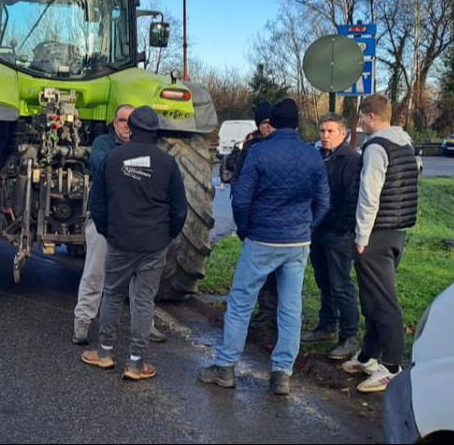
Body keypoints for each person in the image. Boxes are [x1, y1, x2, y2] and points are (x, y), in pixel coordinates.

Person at [198, 98, 330, 396]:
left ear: (273, 121)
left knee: (241, 301)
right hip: (298, 242)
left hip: (263, 238)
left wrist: (245, 230)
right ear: (296, 123)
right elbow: (324, 201)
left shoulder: (259, 152)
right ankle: (282, 374)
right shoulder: (312, 156)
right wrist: (308, 227)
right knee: (291, 306)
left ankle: (225, 367)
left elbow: (242, 200)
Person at [80, 106, 187, 381]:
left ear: (132, 129)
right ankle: (136, 363)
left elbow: (97, 204)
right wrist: (166, 235)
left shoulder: (112, 159)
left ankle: (104, 353)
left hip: (120, 240)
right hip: (154, 243)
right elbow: (179, 210)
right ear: (156, 132)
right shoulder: (168, 164)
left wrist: (107, 232)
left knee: (113, 294)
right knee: (142, 300)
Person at [72, 104, 166, 345]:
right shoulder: (103, 144)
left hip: (140, 224)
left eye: (130, 121)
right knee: (95, 272)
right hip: (108, 222)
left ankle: (146, 325)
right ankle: (82, 322)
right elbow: (105, 168)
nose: (126, 125)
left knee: (142, 282)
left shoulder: (151, 151)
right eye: (122, 120)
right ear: (114, 123)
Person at [344, 94, 419, 393]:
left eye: (362, 118)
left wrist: (362, 236)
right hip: (397, 230)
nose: (360, 123)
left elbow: (369, 195)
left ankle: (390, 366)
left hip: (375, 233)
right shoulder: (405, 141)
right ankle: (368, 356)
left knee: (384, 300)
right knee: (373, 295)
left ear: (371, 116)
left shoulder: (376, 147)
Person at [300, 114, 362, 360]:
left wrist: (341, 227)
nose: (325, 135)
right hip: (317, 229)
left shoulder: (350, 160)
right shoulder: (318, 157)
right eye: (323, 131)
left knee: (341, 284)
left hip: (338, 232)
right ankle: (326, 325)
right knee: (323, 280)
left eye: (330, 131)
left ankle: (349, 336)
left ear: (343, 134)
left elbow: (352, 197)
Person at [221, 102, 279, 332]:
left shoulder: (280, 146)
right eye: (265, 123)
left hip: (273, 219)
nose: (269, 128)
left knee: (277, 273)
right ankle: (263, 310)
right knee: (255, 271)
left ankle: (272, 311)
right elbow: (239, 175)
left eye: (271, 123)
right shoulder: (250, 145)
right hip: (254, 217)